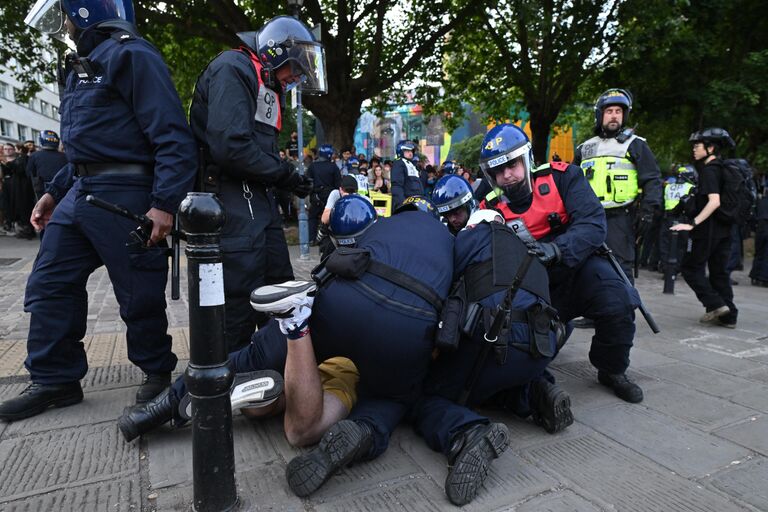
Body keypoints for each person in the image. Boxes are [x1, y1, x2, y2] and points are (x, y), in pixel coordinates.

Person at [0, 0, 197, 423]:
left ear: (88, 10)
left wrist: (163, 204)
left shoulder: (131, 54)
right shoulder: (80, 64)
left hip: (125, 191)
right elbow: (81, 147)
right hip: (80, 190)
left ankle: (156, 371)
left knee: (137, 290)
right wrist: (53, 194)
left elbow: (174, 138)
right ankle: (55, 378)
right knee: (49, 282)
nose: (64, 21)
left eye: (67, 11)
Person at [411, 199, 572, 505]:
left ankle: (464, 434)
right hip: (541, 349)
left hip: (493, 343)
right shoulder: (530, 247)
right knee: (497, 378)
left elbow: (439, 286)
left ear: (475, 225)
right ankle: (534, 393)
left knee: (424, 397)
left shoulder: (469, 239)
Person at [477, 124, 644, 403]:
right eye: (498, 170)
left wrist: (557, 248)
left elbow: (593, 224)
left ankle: (611, 369)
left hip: (580, 266)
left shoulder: (564, 177)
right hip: (535, 284)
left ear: (527, 159)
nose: (506, 175)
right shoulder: (488, 209)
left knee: (620, 302)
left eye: (512, 164)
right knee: (529, 348)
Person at [189, 15, 317, 351]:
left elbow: (260, 152)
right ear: (276, 53)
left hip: (258, 200)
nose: (298, 78)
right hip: (229, 199)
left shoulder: (268, 85)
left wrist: (287, 179)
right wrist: (284, 173)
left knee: (279, 287)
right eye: (296, 68)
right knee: (239, 298)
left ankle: (276, 365)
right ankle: (230, 377)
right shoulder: (234, 68)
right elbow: (231, 146)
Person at [573, 88, 663, 283]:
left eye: (618, 112)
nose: (614, 116)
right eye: (609, 111)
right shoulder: (584, 147)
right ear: (600, 114)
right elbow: (571, 183)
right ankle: (595, 312)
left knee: (619, 268)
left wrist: (647, 213)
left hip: (620, 218)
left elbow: (652, 180)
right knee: (585, 266)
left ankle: (623, 313)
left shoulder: (635, 144)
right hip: (588, 218)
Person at [671, 128, 738, 327]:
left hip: (708, 230)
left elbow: (714, 201)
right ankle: (729, 316)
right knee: (719, 272)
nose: (694, 149)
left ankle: (715, 304)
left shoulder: (710, 170)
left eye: (697, 146)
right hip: (724, 229)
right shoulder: (722, 168)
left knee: (690, 268)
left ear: (710, 148)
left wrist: (693, 223)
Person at [658, 165, 697, 275]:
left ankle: (666, 268)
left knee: (665, 244)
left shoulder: (669, 186)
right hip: (682, 218)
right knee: (681, 245)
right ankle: (675, 268)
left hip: (667, 218)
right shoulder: (690, 187)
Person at [307, 144, 341, 244]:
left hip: (316, 195)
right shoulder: (333, 167)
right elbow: (338, 183)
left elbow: (308, 181)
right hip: (329, 196)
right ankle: (328, 239)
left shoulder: (313, 166)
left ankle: (311, 239)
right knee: (330, 218)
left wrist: (312, 194)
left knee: (312, 217)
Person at [26, 130, 69, 202]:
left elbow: (29, 173)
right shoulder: (65, 156)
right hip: (62, 188)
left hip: (42, 190)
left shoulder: (34, 155)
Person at [389, 140, 424, 209]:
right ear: (401, 151)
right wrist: (402, 204)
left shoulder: (412, 164)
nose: (410, 153)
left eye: (411, 151)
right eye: (407, 151)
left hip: (416, 203)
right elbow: (397, 185)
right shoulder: (399, 163)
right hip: (407, 204)